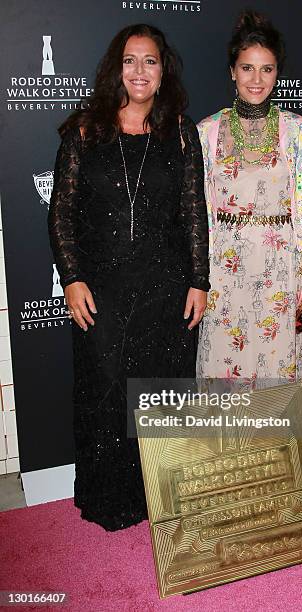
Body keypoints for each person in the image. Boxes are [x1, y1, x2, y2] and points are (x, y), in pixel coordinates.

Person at [48, 24, 209, 531]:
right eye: (130, 60)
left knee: (163, 395)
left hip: (166, 290)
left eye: (151, 61)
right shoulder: (84, 131)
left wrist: (199, 280)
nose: (140, 71)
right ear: (115, 69)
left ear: (163, 73)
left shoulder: (181, 133)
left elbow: (194, 213)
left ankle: (162, 498)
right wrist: (72, 278)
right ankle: (111, 500)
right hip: (103, 290)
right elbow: (61, 214)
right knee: (105, 395)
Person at [196, 11, 302, 394]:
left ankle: (278, 454)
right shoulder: (207, 132)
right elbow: (199, 212)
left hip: (281, 270)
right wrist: (197, 279)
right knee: (223, 367)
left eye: (267, 69)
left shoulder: (297, 130)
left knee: (280, 367)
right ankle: (226, 455)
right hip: (222, 270)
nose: (257, 80)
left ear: (277, 73)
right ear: (232, 72)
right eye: (247, 68)